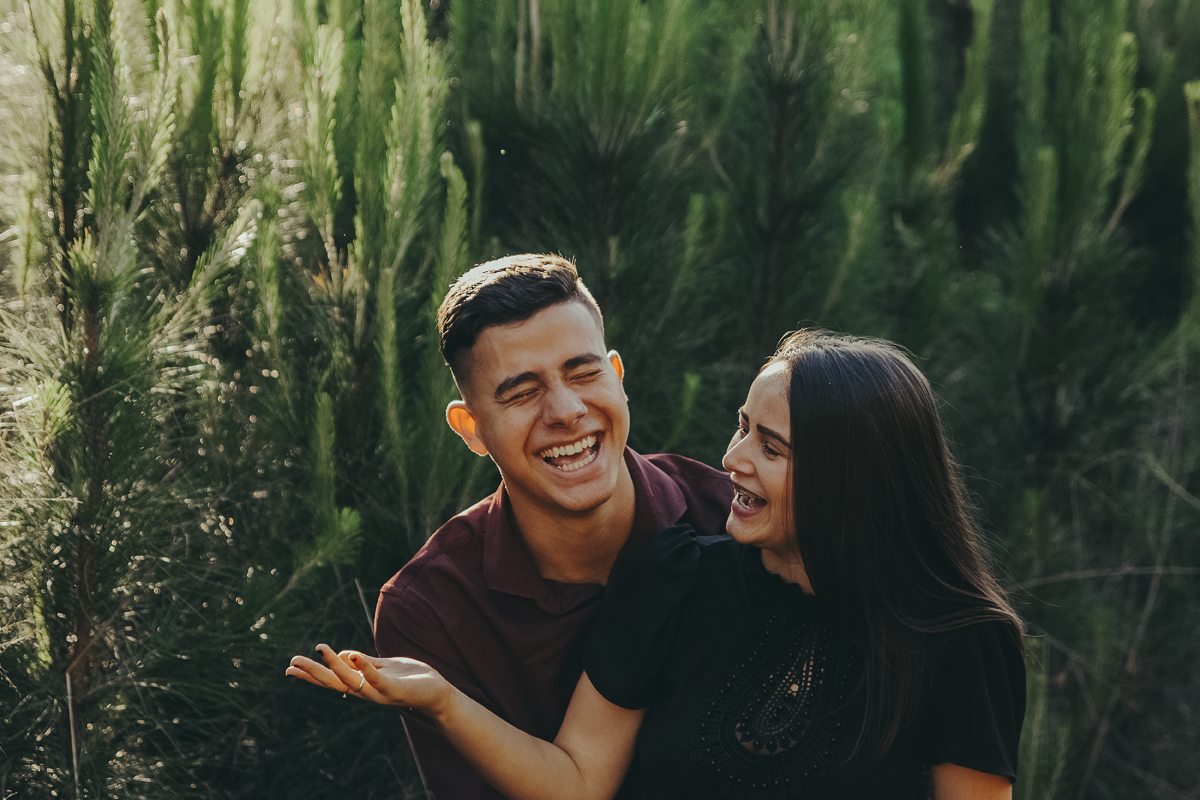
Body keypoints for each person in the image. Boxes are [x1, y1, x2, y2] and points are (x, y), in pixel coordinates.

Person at [289, 330, 1026, 799]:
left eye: (771, 447)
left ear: (854, 479)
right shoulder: (675, 578)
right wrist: (444, 700)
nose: (733, 458)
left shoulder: (959, 645)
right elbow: (578, 785)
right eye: (741, 427)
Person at [354, 255, 734, 798]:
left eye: (584, 373)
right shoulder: (431, 612)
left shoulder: (731, 518)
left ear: (618, 377)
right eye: (521, 392)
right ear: (472, 428)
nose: (566, 410)